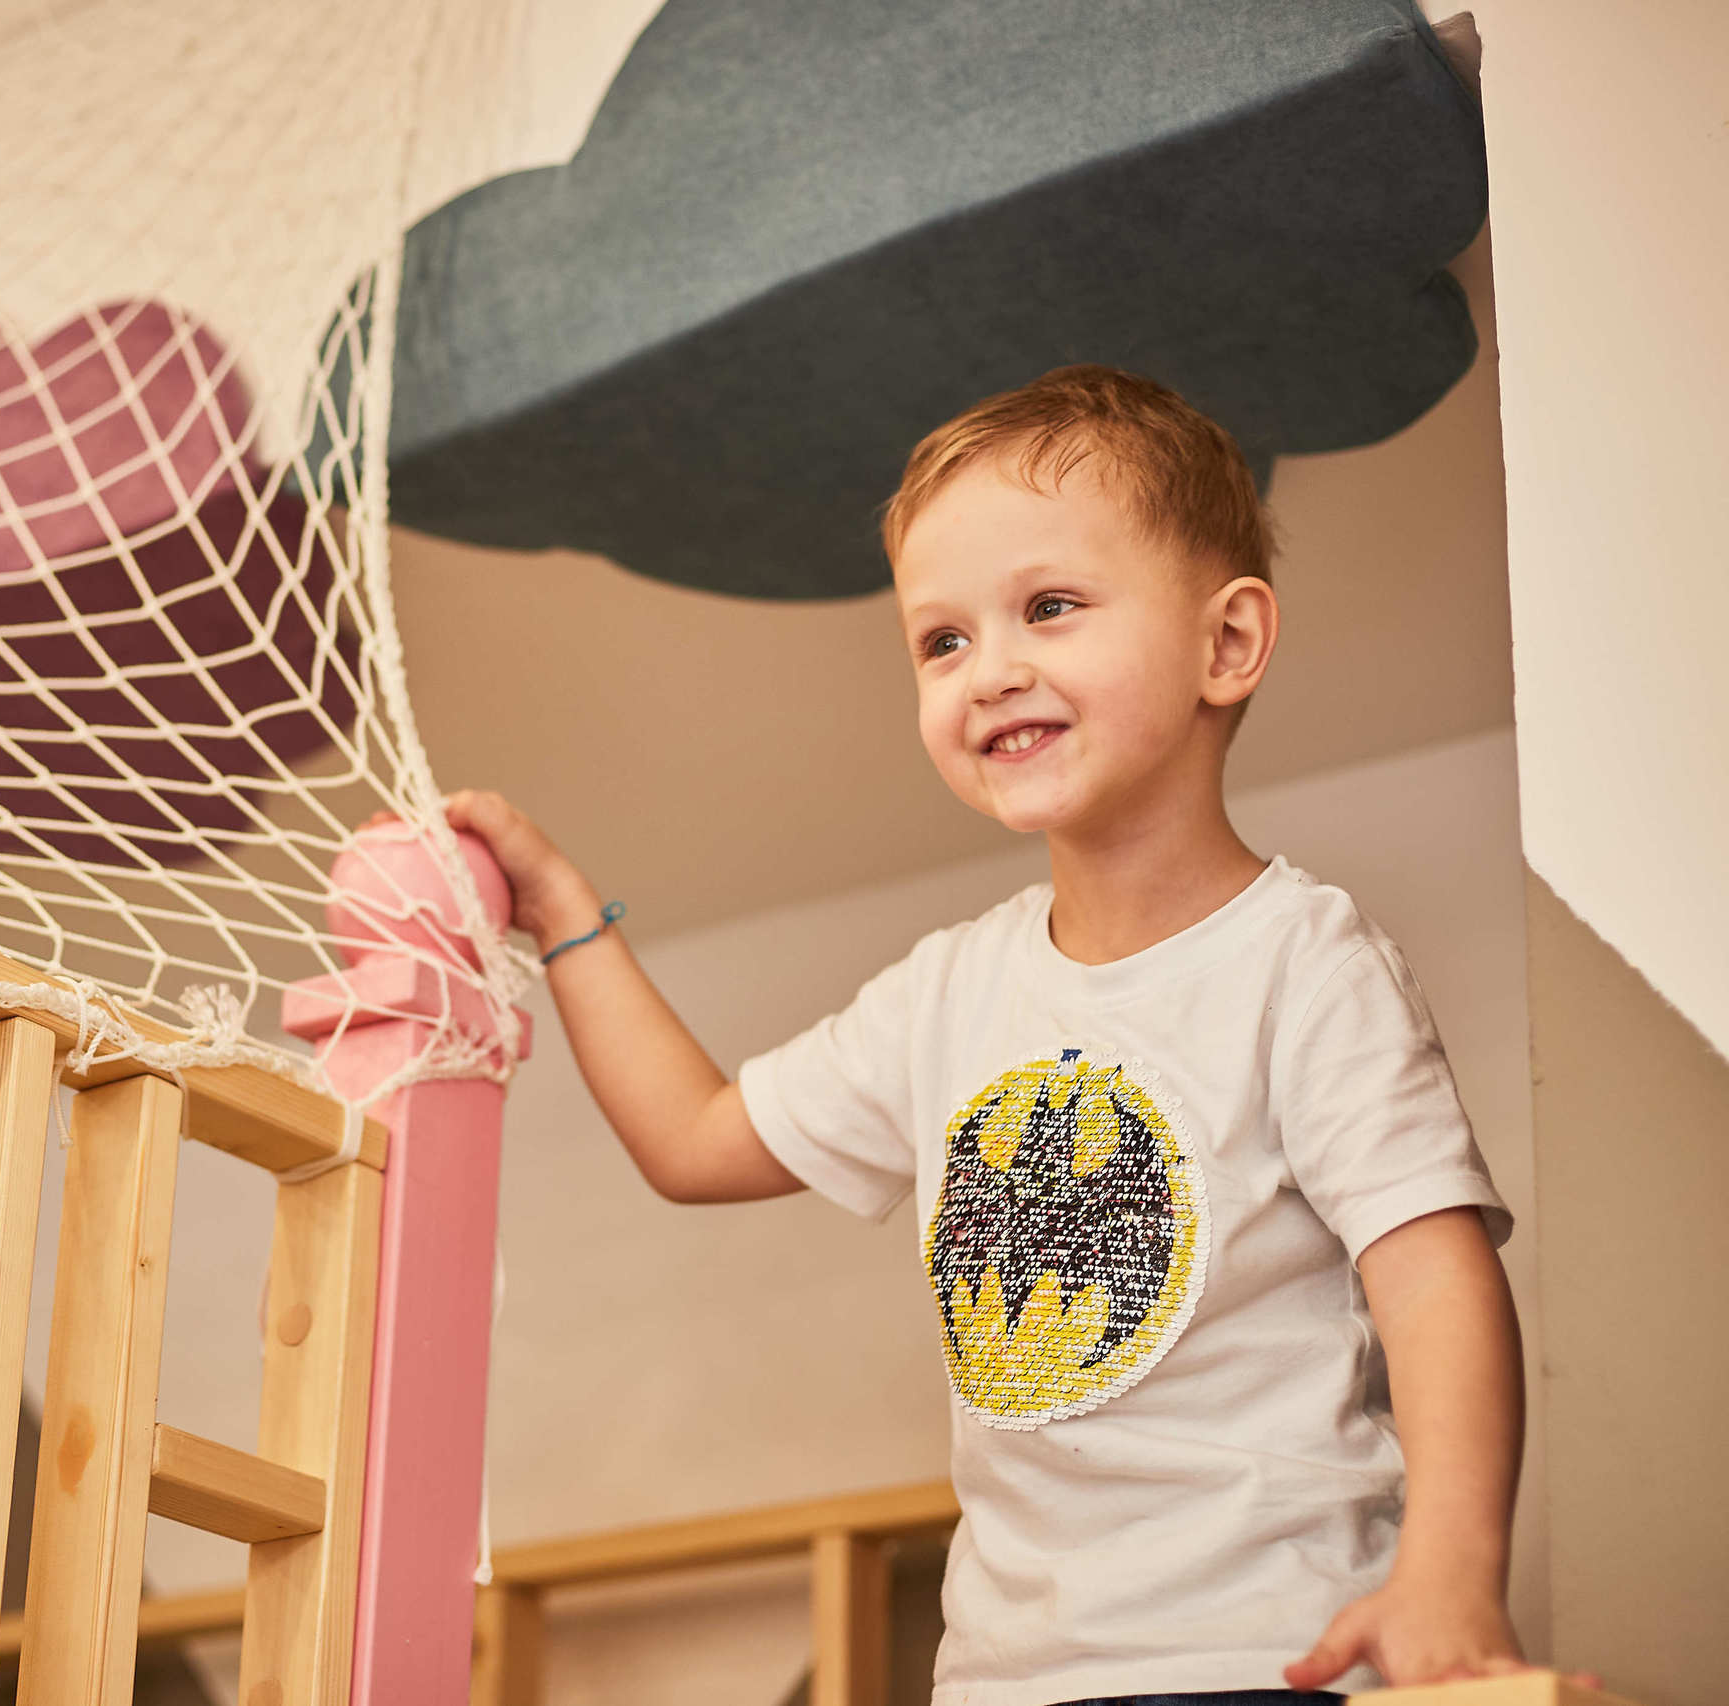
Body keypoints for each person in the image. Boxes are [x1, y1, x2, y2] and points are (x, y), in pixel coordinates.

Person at [448, 365, 1529, 1703]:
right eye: (941, 640)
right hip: (1007, 1678)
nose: (990, 669)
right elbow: (695, 1138)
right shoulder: (948, 993)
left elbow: (1433, 1278)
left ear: (1227, 643)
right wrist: (562, 911)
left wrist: (1448, 1568)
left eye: (1050, 608)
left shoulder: (1300, 962)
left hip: (1262, 1650)